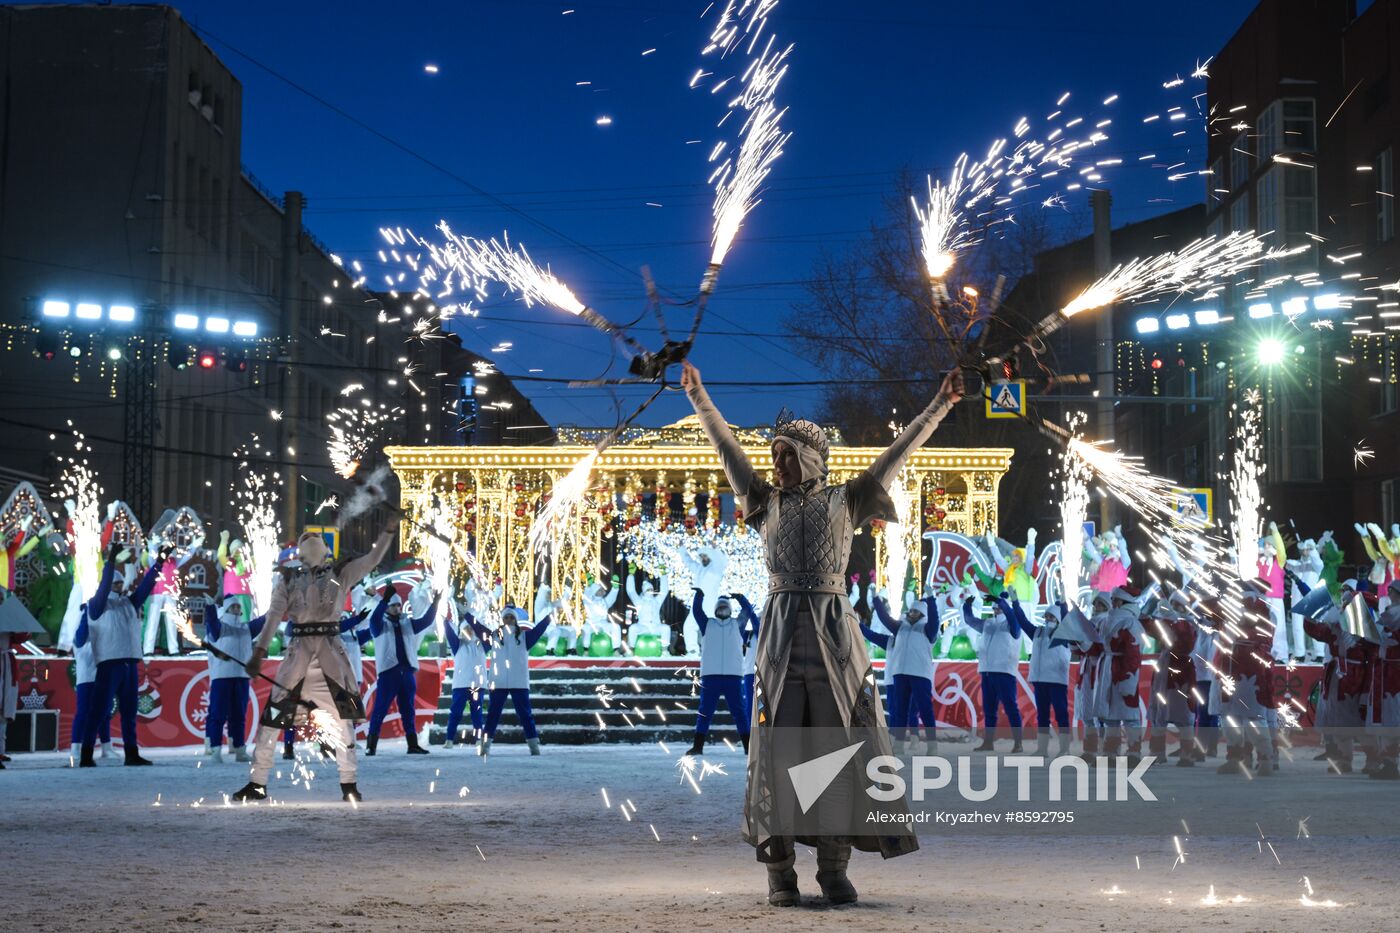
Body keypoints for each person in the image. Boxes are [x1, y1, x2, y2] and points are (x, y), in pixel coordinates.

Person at [682, 359, 961, 906]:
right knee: (777, 753)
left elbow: (899, 454)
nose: (777, 463)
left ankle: (833, 869)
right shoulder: (763, 503)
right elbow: (725, 448)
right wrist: (699, 394)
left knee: (839, 751)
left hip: (836, 642)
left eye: (788, 454)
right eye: (775, 454)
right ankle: (779, 872)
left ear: (812, 457)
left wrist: (942, 404)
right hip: (782, 640)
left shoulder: (848, 500)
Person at [232, 527, 392, 803]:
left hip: (329, 659)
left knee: (343, 726)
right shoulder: (289, 579)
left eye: (312, 538)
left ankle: (349, 783)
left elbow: (373, 558)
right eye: (305, 538)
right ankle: (257, 782)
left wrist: (388, 531)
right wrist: (258, 651)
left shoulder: (340, 574)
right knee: (271, 723)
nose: (309, 540)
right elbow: (273, 616)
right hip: (298, 662)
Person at [75, 543, 166, 767]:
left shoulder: (128, 603)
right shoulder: (97, 605)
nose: (117, 586)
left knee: (129, 713)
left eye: (119, 582)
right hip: (109, 664)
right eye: (114, 583)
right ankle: (87, 754)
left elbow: (145, 587)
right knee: (98, 710)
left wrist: (159, 563)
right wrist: (111, 561)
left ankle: (131, 753)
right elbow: (103, 587)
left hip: (129, 662)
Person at [476, 588, 555, 757]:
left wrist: (552, 613)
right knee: (492, 715)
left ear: (516, 620)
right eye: (506, 617)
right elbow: (478, 628)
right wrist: (468, 615)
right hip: (498, 682)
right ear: (502, 619)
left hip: (519, 682)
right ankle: (486, 746)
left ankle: (534, 747)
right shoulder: (494, 636)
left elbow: (541, 627)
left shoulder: (525, 637)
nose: (509, 620)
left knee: (526, 715)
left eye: (512, 617)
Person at [1304, 588, 1372, 774]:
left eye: (1346, 602)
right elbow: (1317, 631)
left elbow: (1372, 649)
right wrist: (1309, 615)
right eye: (1342, 602)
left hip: (1354, 677)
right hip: (1335, 676)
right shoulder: (1334, 625)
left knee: (1355, 720)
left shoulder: (1364, 626)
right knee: (1338, 720)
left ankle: (1374, 759)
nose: (1342, 605)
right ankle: (1345, 760)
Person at [365, 588, 438, 756]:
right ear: (387, 607)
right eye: (393, 605)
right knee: (380, 709)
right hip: (389, 673)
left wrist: (435, 603)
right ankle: (371, 745)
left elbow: (426, 621)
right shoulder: (379, 624)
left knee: (408, 710)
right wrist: (383, 601)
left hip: (407, 672)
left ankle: (412, 744)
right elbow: (374, 620)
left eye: (399, 605)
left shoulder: (408, 623)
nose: (397, 608)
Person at [1212, 595, 1277, 777]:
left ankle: (1265, 760)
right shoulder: (1232, 626)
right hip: (1230, 680)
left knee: (1255, 720)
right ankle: (1235, 759)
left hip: (1252, 681)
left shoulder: (1263, 628)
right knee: (1230, 720)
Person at [685, 590, 753, 755]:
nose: (723, 610)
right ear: (716, 610)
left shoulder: (738, 624)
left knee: (740, 712)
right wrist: (700, 596)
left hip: (733, 675)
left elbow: (748, 611)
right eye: (720, 608)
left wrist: (741, 598)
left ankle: (748, 747)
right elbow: (697, 611)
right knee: (705, 711)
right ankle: (698, 746)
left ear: (730, 610)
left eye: (725, 608)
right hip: (711, 675)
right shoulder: (707, 624)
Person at [201, 595, 267, 763]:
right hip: (222, 678)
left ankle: (239, 748)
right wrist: (209, 607)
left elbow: (265, 620)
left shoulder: (247, 628)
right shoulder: (219, 628)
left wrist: (278, 604)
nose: (237, 610)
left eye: (238, 607)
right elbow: (212, 623)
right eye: (233, 607)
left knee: (239, 715)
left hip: (242, 677)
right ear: (227, 609)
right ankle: (215, 748)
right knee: (218, 714)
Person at [871, 590, 938, 753]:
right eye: (911, 610)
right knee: (901, 710)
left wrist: (931, 599)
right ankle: (899, 744)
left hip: (920, 673)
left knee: (925, 709)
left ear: (922, 613)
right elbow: (884, 618)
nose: (911, 613)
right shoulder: (900, 627)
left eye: (915, 611)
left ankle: (932, 745)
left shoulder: (928, 629)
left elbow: (935, 620)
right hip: (900, 673)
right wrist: (875, 599)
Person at [963, 594, 1023, 752]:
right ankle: (988, 742)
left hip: (1004, 671)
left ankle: (1018, 742)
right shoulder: (988, 623)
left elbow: (1011, 616)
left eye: (999, 607)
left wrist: (1000, 601)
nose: (997, 610)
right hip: (987, 671)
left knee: (1011, 707)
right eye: (995, 608)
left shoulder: (1013, 623)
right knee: (989, 710)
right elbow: (970, 620)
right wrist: (966, 605)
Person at [1019, 599, 1073, 758]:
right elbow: (1022, 621)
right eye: (1046, 616)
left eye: (1051, 616)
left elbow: (1068, 620)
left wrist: (1063, 606)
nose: (1048, 619)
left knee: (1061, 714)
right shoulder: (1037, 632)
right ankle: (1042, 750)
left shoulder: (1064, 634)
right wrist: (1015, 602)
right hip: (1039, 679)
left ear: (1058, 619)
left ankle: (1065, 749)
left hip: (1057, 680)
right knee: (1042, 715)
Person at [1146, 602, 1197, 766]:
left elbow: (1185, 646)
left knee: (1183, 715)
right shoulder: (1169, 647)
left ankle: (1186, 755)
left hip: (1177, 677)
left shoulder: (1186, 627)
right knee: (1159, 715)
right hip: (1164, 674)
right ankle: (1158, 752)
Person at [68, 606, 114, 761]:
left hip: (102, 679)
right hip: (86, 680)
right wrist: (88, 610)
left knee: (105, 714)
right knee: (83, 713)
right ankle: (75, 747)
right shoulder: (79, 640)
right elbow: (82, 630)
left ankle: (106, 748)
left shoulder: (100, 636)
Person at [443, 595, 489, 748]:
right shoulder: (458, 645)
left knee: (477, 715)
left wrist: (469, 618)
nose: (468, 630)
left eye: (470, 628)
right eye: (465, 628)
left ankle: (479, 739)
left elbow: (484, 632)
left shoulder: (482, 645)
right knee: (455, 713)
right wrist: (444, 620)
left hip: (477, 684)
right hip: (461, 684)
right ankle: (449, 739)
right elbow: (449, 633)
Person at [1366, 579, 1400, 779]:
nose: (1390, 594)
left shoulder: (1393, 613)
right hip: (1390, 669)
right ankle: (1389, 762)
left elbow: (1374, 634)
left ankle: (1390, 763)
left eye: (1392, 592)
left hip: (1392, 672)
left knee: (1391, 718)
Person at [625, 570, 671, 652]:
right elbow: (631, 591)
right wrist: (631, 575)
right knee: (633, 628)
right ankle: (631, 650)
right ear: (644, 591)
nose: (650, 591)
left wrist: (663, 575)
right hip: (643, 626)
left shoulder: (657, 600)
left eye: (651, 589)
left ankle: (665, 650)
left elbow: (664, 591)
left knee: (666, 628)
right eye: (648, 589)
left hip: (656, 626)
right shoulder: (639, 601)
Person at [1085, 526, 1131, 597]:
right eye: (1110, 546)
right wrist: (1086, 538)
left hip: (1116, 599)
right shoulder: (1103, 561)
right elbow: (1092, 552)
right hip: (1102, 599)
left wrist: (1119, 536)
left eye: (1114, 546)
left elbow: (1123, 550)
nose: (1112, 548)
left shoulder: (1125, 563)